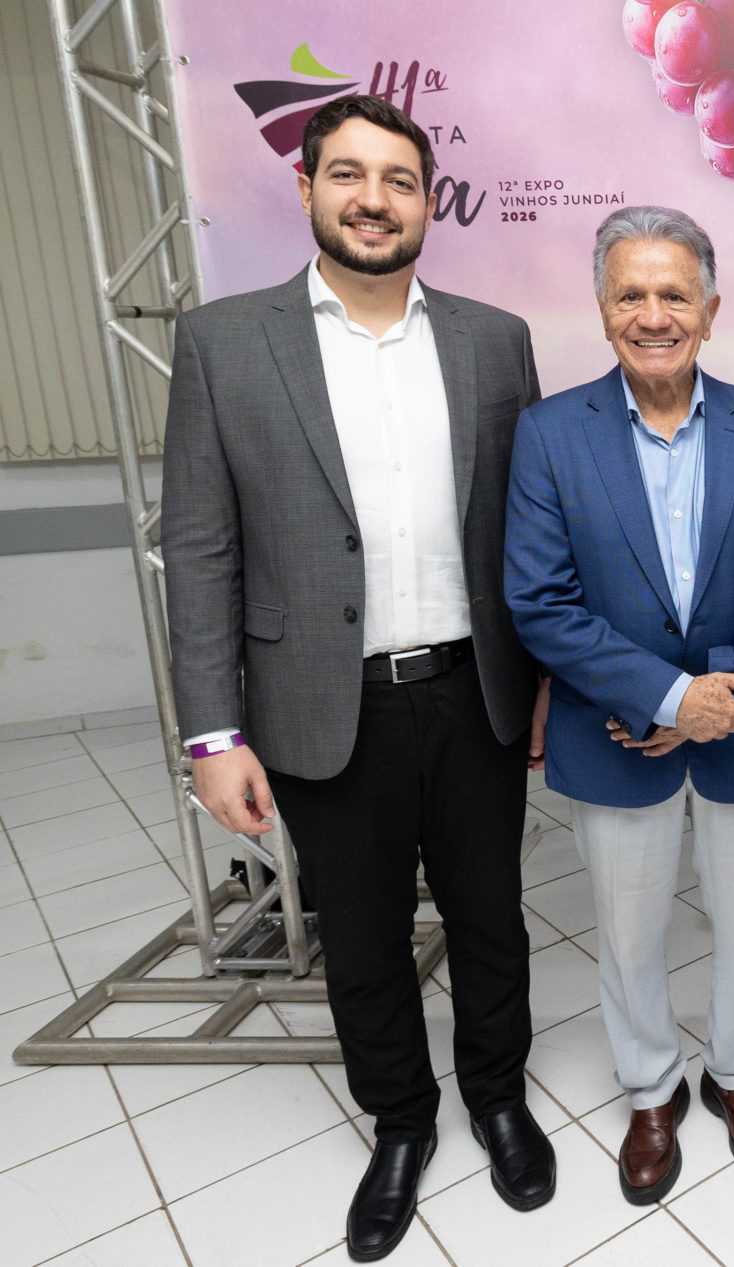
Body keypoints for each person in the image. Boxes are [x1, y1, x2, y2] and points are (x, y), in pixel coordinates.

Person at [163, 95, 556, 1261]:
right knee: (366, 932)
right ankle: (401, 1121)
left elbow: (531, 531)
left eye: (398, 180)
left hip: (476, 690)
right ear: (307, 188)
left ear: (429, 201)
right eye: (349, 175)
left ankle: (498, 1096)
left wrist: (550, 684)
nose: (373, 200)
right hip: (321, 704)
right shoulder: (225, 344)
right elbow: (199, 547)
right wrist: (211, 735)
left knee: (491, 915)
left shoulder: (494, 340)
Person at [504, 206, 734, 1203]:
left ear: (711, 309)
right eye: (632, 295)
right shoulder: (549, 434)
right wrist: (664, 696)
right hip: (616, 736)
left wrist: (712, 693)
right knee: (628, 932)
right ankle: (651, 1090)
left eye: (675, 295)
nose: (654, 315)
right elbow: (540, 600)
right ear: (604, 309)